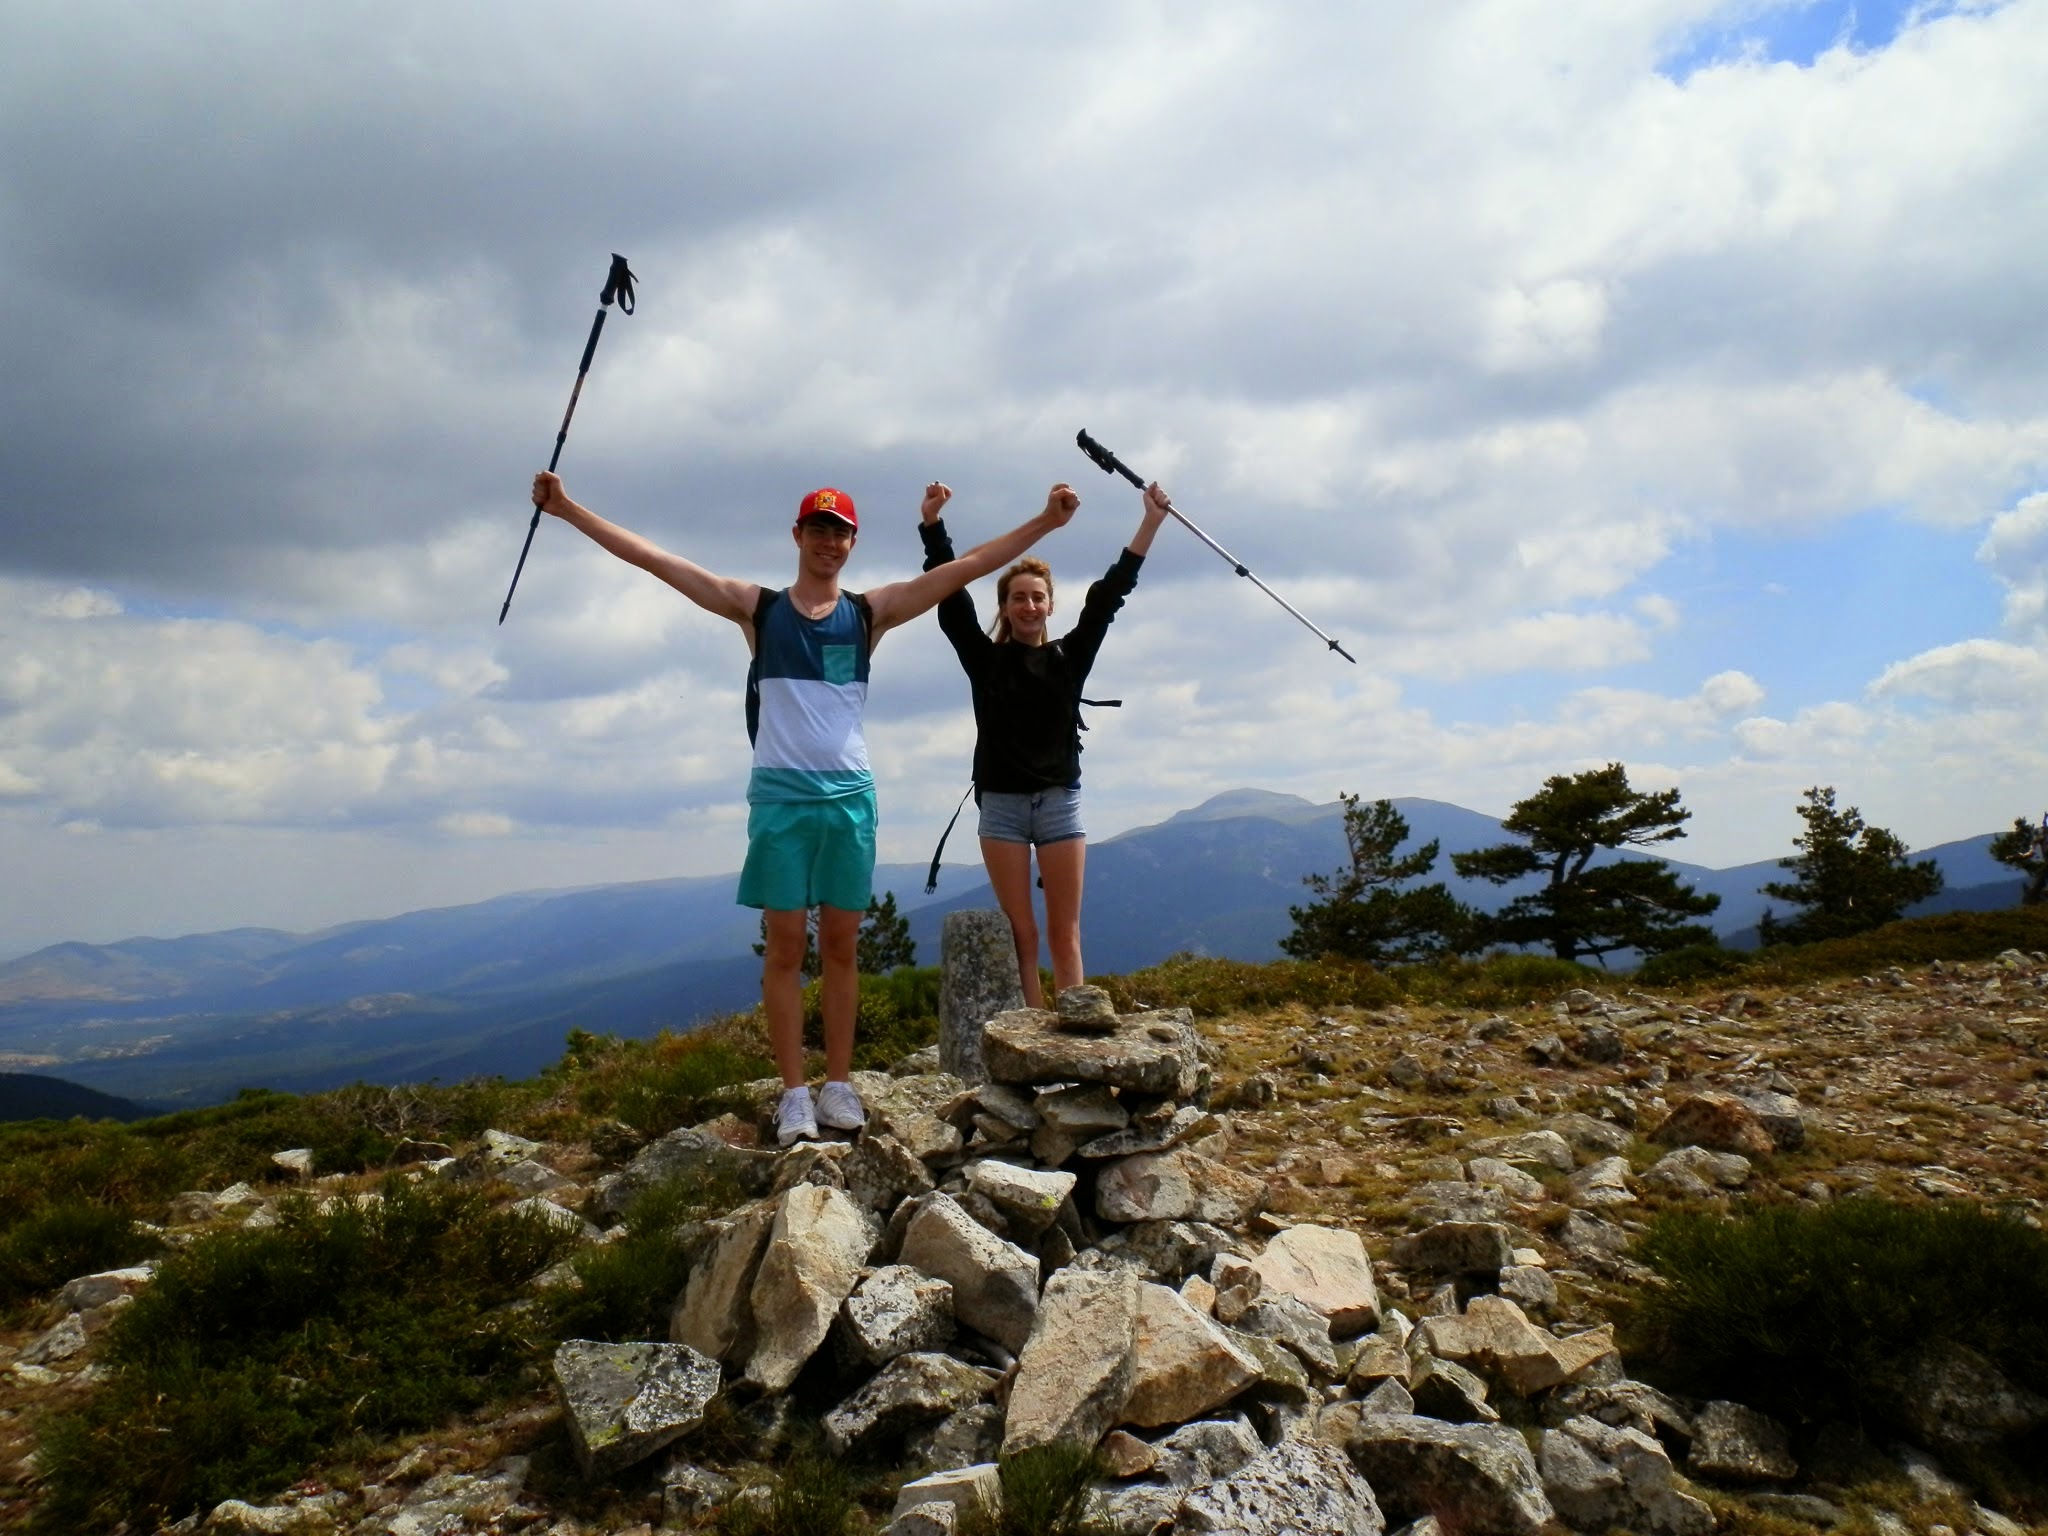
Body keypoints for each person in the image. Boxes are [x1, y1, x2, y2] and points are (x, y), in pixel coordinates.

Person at [530, 471, 1080, 1144]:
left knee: (843, 947)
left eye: (839, 532)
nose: (829, 542)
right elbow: (657, 560)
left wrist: (1044, 523)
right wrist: (566, 509)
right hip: (782, 799)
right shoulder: (758, 609)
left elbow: (966, 567)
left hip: (849, 797)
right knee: (788, 948)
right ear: (798, 536)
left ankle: (839, 1086)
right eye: (818, 530)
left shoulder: (867, 613)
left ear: (851, 543)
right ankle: (796, 1093)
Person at [919, 480, 1171, 1007]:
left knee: (1064, 933)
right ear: (1005, 608)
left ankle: (1074, 1036)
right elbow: (950, 596)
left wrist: (1149, 523)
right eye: (1018, 598)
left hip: (1059, 802)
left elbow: (1109, 596)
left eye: (1037, 597)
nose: (1029, 606)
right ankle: (1034, 1044)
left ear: (1050, 605)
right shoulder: (984, 659)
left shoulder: (1068, 658)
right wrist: (933, 528)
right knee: (1022, 936)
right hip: (1002, 808)